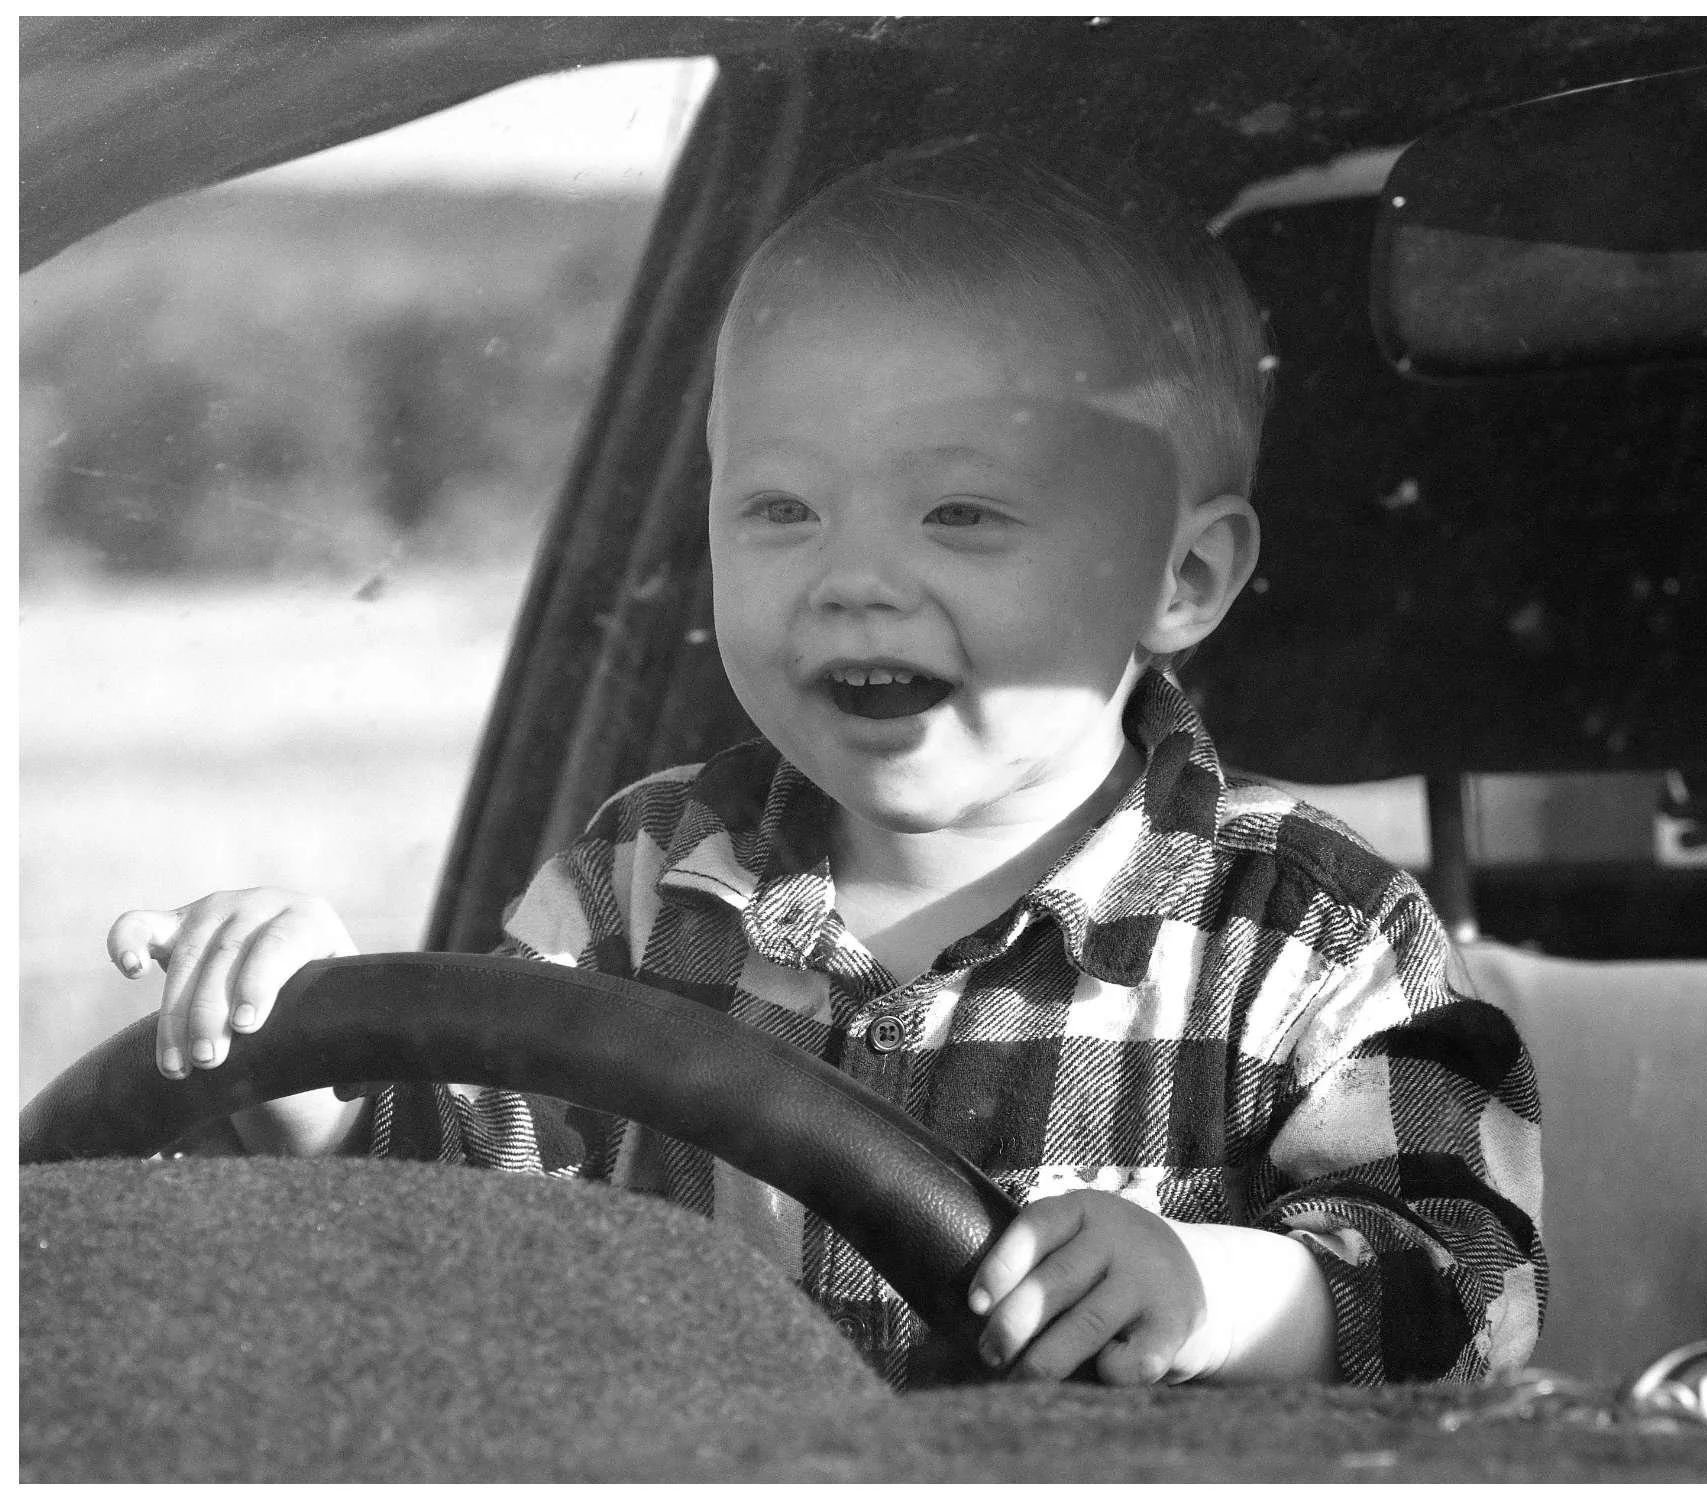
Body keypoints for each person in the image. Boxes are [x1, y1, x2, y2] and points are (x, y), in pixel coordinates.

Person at [107, 139, 1545, 1391]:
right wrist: (309, 1067)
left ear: (1186, 575)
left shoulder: (1304, 935)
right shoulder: (636, 882)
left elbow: (1471, 1288)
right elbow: (455, 1242)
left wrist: (1229, 1295)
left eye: (963, 513)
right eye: (783, 506)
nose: (853, 577)